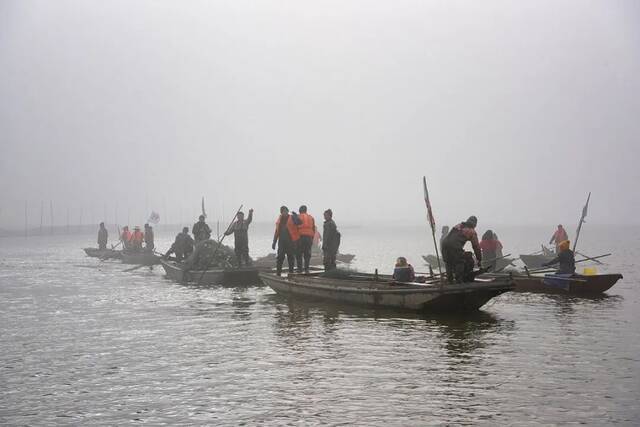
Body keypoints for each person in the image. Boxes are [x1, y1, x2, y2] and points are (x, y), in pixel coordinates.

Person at [441, 216, 482, 284]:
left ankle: (450, 280)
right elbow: (476, 247)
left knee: (448, 261)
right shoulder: (472, 231)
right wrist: (479, 259)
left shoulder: (458, 225)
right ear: (475, 225)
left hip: (444, 244)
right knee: (460, 261)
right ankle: (459, 281)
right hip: (454, 246)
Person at [272, 206, 301, 275]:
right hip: (281, 242)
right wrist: (274, 242)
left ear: (288, 211)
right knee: (280, 258)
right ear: (281, 212)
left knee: (291, 258)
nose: (284, 212)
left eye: (286, 211)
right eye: (283, 211)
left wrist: (296, 216)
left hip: (290, 241)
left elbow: (299, 222)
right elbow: (277, 232)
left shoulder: (292, 217)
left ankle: (291, 273)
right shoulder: (279, 220)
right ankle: (278, 273)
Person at [295, 205, 316, 273]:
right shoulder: (311, 218)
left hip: (300, 237)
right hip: (309, 238)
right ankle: (307, 269)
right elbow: (313, 229)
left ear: (300, 210)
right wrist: (311, 238)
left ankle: (300, 269)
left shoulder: (298, 217)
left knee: (299, 254)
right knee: (307, 254)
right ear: (306, 210)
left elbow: (294, 228)